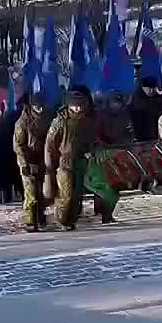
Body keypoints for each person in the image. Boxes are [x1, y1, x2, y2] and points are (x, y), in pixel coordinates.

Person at [44, 86, 95, 231]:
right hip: (64, 162)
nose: (78, 109)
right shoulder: (60, 121)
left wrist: (89, 151)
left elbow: (90, 139)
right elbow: (50, 144)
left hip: (81, 161)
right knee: (65, 194)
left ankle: (71, 220)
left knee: (77, 194)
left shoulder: (86, 120)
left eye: (80, 106)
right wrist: (50, 164)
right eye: (75, 106)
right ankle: (61, 220)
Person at [14, 93, 53, 231]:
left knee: (42, 192)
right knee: (31, 193)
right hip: (28, 161)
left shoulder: (47, 118)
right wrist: (24, 164)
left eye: (42, 106)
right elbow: (18, 146)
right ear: (31, 106)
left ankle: (40, 216)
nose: (40, 109)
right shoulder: (22, 122)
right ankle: (30, 221)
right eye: (37, 107)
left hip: (43, 159)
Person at [93, 92, 135, 222]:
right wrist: (104, 145)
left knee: (116, 184)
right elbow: (96, 135)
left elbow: (129, 133)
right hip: (104, 153)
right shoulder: (101, 116)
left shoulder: (124, 116)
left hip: (119, 152)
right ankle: (100, 210)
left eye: (119, 103)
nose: (116, 105)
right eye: (114, 103)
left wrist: (126, 145)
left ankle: (108, 213)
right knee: (105, 184)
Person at [130, 77, 162, 143]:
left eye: (153, 88)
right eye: (148, 88)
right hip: (141, 138)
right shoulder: (136, 100)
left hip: (158, 136)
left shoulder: (160, 98)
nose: (151, 91)